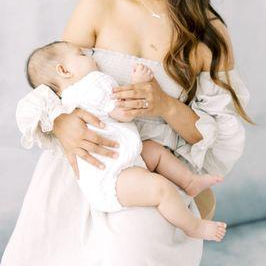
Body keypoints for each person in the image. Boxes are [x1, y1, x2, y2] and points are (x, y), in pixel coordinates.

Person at [1, 0, 251, 266]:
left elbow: (215, 142)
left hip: (150, 171)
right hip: (85, 160)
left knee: (134, 245)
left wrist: (164, 105)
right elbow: (51, 80)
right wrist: (61, 123)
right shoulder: (98, 4)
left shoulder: (208, 35)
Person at [24, 40, 226, 241]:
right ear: (64, 70)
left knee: (153, 150)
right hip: (113, 178)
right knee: (161, 189)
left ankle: (189, 181)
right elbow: (125, 112)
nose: (91, 56)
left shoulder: (68, 100)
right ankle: (193, 226)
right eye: (82, 55)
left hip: (118, 163)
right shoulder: (92, 84)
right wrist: (139, 84)